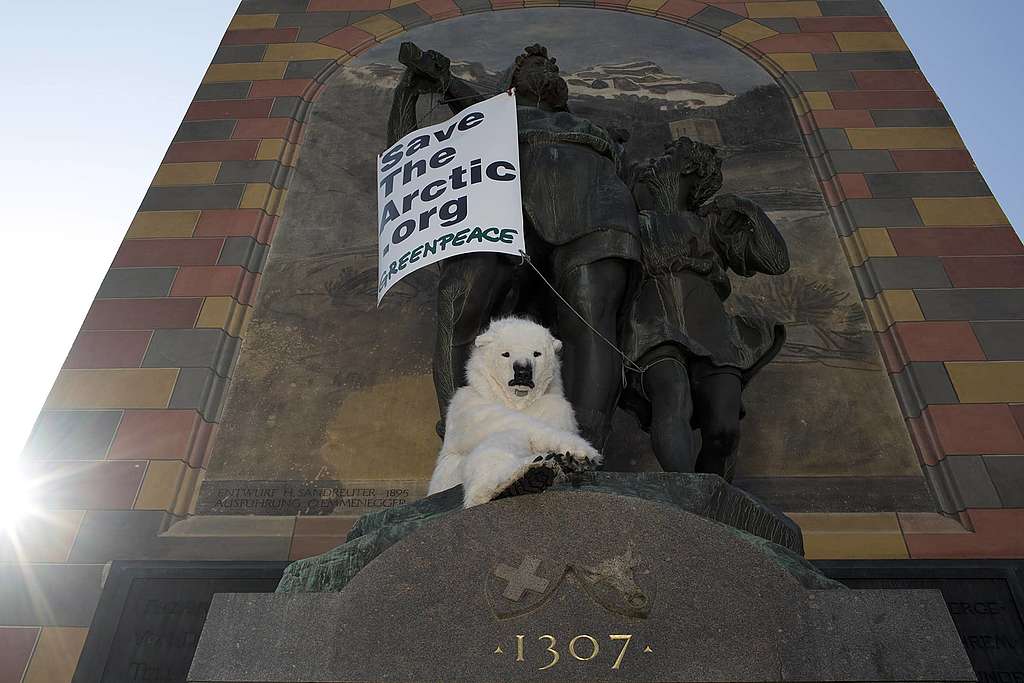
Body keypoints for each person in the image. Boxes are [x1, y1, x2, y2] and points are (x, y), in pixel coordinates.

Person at [389, 43, 641, 451]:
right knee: (461, 301)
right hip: (500, 210)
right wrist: (423, 83)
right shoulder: (490, 117)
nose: (552, 67)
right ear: (512, 80)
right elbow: (410, 156)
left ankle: (582, 447)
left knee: (592, 317)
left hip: (596, 208)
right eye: (538, 63)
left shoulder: (588, 128)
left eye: (552, 63)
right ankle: (465, 433)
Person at [620, 137, 790, 480]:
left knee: (724, 430)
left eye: (668, 155)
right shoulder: (629, 219)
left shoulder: (710, 223)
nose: (655, 162)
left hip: (711, 327)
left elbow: (776, 262)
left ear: (689, 167)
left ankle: (713, 497)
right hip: (652, 322)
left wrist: (745, 207)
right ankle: (684, 491)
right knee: (672, 396)